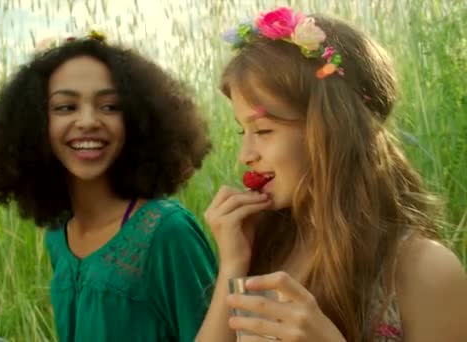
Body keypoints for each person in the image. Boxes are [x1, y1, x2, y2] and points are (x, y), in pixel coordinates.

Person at [196, 7, 467, 342]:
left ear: (331, 130)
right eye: (243, 133)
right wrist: (233, 265)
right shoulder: (266, 249)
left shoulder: (423, 271)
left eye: (263, 131)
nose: (246, 156)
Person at [0, 31, 217, 341]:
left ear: (137, 120)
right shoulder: (59, 234)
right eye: (65, 107)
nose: (88, 121)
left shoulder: (167, 232)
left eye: (110, 106)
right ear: (35, 124)